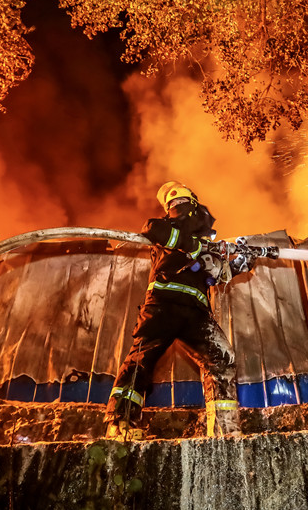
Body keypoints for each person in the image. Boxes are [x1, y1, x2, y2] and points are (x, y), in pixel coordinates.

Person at [104, 182, 254, 440]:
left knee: (222, 359)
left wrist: (241, 263)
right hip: (163, 305)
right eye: (174, 204)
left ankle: (224, 430)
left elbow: (218, 273)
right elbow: (152, 228)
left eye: (182, 203)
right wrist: (191, 244)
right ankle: (120, 423)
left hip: (196, 313)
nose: (179, 207)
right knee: (142, 359)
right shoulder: (165, 229)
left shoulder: (205, 243)